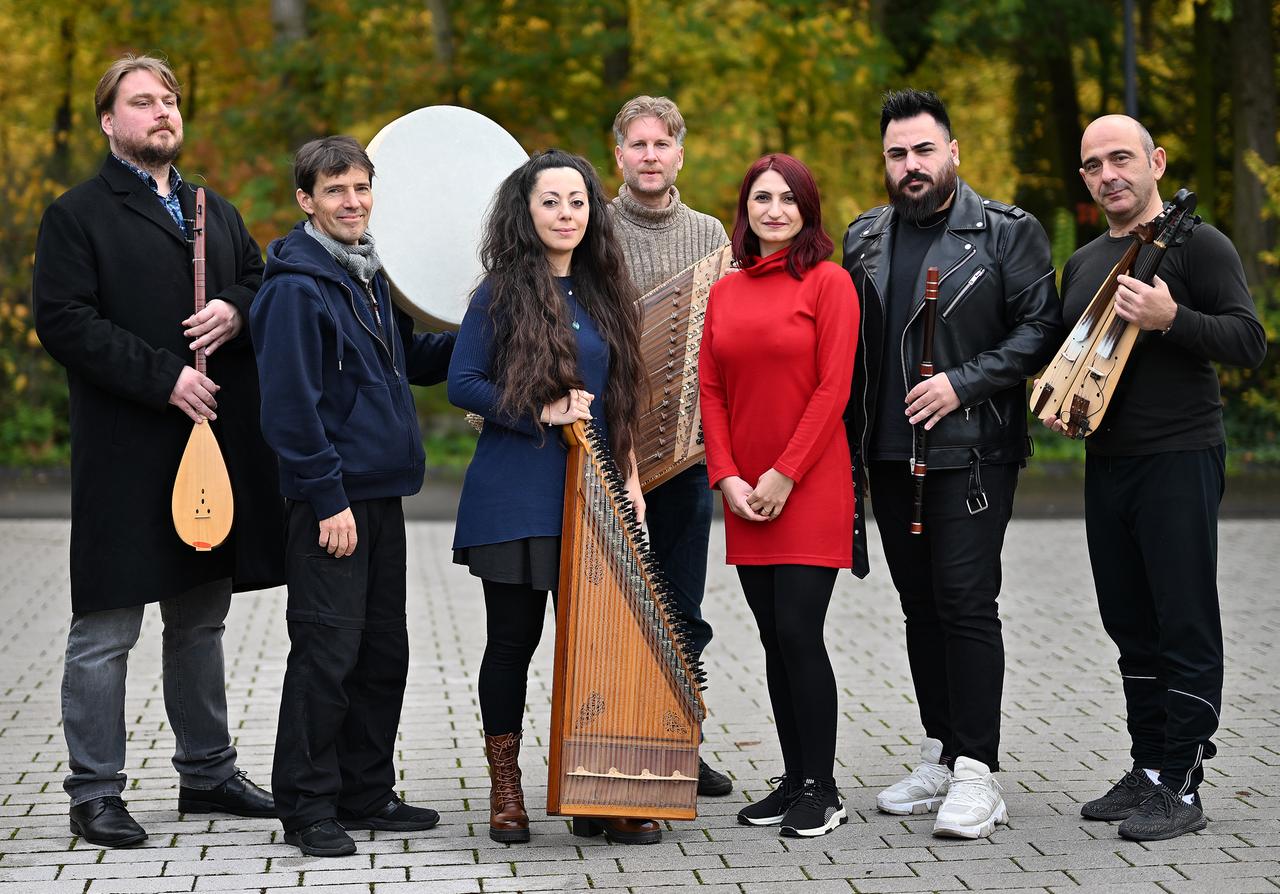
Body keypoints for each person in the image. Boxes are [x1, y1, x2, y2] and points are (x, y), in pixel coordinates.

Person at [31, 54, 282, 848]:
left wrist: (237, 312)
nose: (161, 112)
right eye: (142, 102)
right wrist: (165, 378)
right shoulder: (76, 215)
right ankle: (94, 791)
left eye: (169, 99)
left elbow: (260, 279)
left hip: (210, 446)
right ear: (109, 121)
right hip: (125, 449)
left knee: (200, 617)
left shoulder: (214, 207)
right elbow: (65, 321)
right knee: (106, 629)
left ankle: (206, 773)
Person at [842, 89, 1061, 839]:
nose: (911, 165)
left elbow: (1042, 329)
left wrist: (961, 383)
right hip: (888, 454)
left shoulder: (1007, 232)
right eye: (897, 153)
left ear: (954, 152)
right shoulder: (864, 237)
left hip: (973, 453)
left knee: (967, 602)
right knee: (919, 605)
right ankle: (943, 751)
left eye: (923, 150)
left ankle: (978, 770)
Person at [1050, 115, 1266, 841]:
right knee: (1128, 621)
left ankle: (1182, 780)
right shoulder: (1084, 264)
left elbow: (1249, 340)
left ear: (1155, 162)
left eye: (1120, 158)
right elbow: (1076, 360)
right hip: (1106, 464)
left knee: (1184, 619)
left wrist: (1174, 317)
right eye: (1092, 165)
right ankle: (1146, 768)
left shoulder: (1198, 243)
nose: (1108, 174)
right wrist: (1057, 403)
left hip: (1180, 456)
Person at [250, 136, 456, 857]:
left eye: (362, 188)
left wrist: (484, 337)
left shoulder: (368, 277)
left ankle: (365, 792)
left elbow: (409, 361)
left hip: (380, 496)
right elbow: (289, 411)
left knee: (380, 651)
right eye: (335, 190)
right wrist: (327, 497)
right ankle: (307, 807)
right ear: (306, 200)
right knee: (326, 654)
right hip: (329, 504)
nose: (353, 202)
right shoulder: (294, 288)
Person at [448, 149, 654, 845]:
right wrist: (539, 411)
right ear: (525, 211)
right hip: (514, 496)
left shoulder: (604, 292)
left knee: (596, 644)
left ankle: (596, 789)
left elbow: (619, 397)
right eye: (551, 201)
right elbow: (463, 382)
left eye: (577, 201)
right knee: (514, 641)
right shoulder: (500, 292)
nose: (566, 213)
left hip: (594, 494)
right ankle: (507, 788)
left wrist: (629, 478)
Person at [700, 153, 859, 838]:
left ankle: (822, 789)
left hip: (811, 484)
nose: (773, 210)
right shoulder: (725, 290)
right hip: (746, 493)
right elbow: (710, 390)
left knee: (799, 631)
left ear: (807, 210)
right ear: (746, 211)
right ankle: (794, 779)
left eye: (787, 199)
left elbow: (834, 389)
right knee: (772, 638)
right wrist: (728, 475)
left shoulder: (831, 284)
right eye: (761, 198)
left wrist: (784, 474)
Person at [607, 94, 733, 797]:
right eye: (638, 144)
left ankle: (680, 739)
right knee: (617, 607)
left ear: (679, 153)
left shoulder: (710, 231)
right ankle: (616, 740)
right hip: (607, 451)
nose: (650, 155)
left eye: (663, 144)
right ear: (619, 155)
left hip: (686, 455)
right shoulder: (589, 225)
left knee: (683, 605)